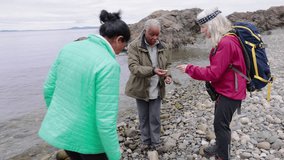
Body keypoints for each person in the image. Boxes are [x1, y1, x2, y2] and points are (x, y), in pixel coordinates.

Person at [38, 10, 130, 160]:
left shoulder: (68, 48)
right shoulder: (108, 64)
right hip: (91, 144)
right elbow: (105, 120)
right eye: (124, 45)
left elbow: (48, 90)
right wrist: (115, 156)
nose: (121, 51)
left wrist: (62, 121)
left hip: (66, 135)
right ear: (119, 39)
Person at [177, 7, 246, 160]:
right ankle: (219, 146)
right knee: (219, 123)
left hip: (230, 92)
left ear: (213, 25)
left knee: (221, 126)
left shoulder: (226, 43)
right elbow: (219, 69)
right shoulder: (228, 39)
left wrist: (190, 68)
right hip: (229, 89)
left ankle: (223, 155)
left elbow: (213, 73)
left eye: (203, 26)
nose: (202, 31)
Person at [125, 19, 172, 151]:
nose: (155, 38)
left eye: (157, 35)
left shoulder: (163, 46)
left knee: (155, 117)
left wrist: (168, 76)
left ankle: (156, 143)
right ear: (145, 31)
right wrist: (152, 70)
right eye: (152, 34)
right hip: (141, 89)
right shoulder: (134, 46)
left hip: (157, 88)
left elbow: (168, 65)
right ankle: (145, 142)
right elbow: (133, 67)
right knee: (144, 117)